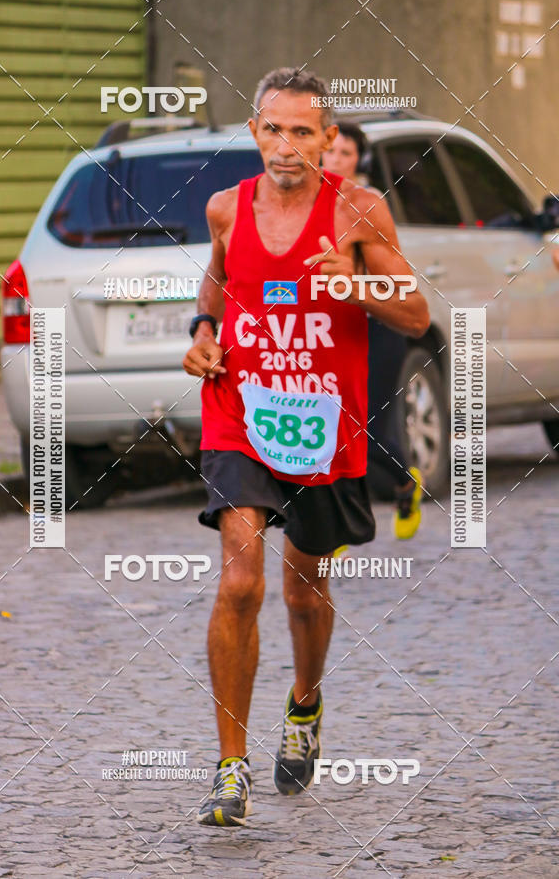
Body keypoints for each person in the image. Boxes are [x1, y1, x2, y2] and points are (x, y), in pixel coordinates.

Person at [183, 68, 429, 828]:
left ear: (328, 139)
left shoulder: (358, 209)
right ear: (254, 132)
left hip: (324, 424)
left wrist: (357, 288)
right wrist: (203, 333)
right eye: (273, 129)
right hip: (240, 414)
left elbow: (417, 314)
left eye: (302, 131)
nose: (286, 145)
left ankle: (305, 701)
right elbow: (218, 283)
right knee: (240, 583)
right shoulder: (226, 207)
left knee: (303, 590)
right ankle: (230, 770)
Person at [323, 122, 424, 540]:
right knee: (330, 427)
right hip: (330, 329)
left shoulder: (366, 203)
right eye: (332, 151)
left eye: (346, 153)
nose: (336, 160)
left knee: (367, 430)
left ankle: (404, 484)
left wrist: (355, 283)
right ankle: (334, 528)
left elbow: (396, 285)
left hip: (376, 327)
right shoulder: (303, 202)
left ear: (359, 160)